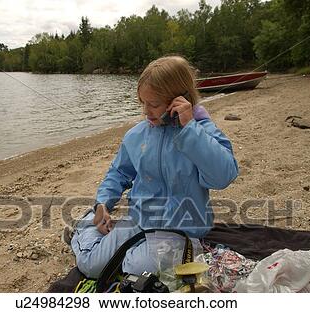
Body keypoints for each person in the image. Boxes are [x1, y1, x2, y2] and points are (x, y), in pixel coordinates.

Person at [70, 55, 239, 278]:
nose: (146, 111)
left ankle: (128, 254)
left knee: (141, 269)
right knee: (93, 267)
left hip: (180, 232)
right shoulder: (137, 134)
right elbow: (119, 172)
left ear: (180, 100)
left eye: (154, 104)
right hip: (139, 221)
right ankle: (85, 227)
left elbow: (223, 176)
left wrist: (190, 130)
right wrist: (103, 202)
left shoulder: (201, 133)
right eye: (143, 103)